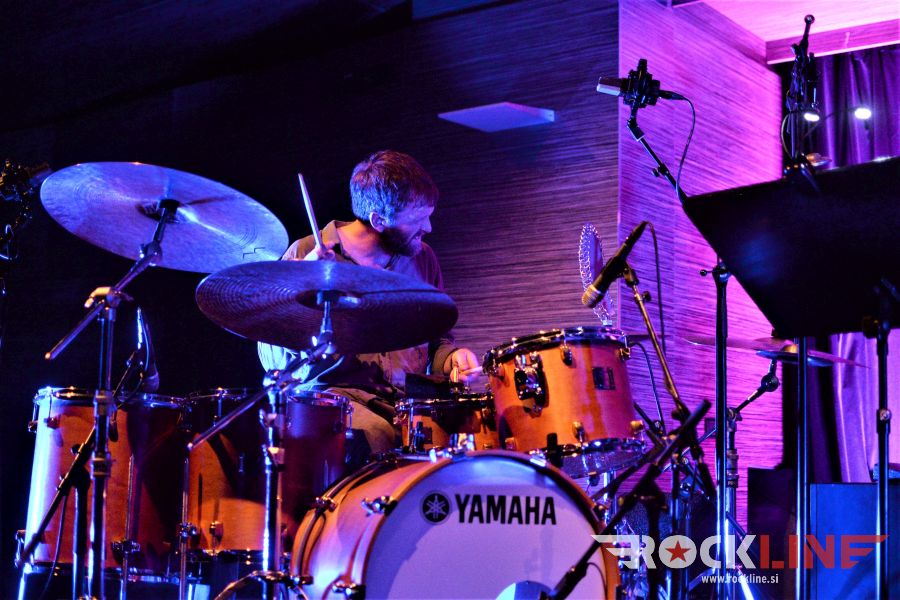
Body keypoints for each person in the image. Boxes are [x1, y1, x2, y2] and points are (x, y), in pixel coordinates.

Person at [258, 150, 479, 459]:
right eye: (418, 219)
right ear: (378, 220)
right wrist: (302, 284)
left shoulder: (422, 258)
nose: (428, 227)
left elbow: (435, 339)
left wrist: (452, 358)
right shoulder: (306, 251)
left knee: (472, 437)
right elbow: (271, 355)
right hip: (331, 401)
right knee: (376, 437)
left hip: (403, 405)